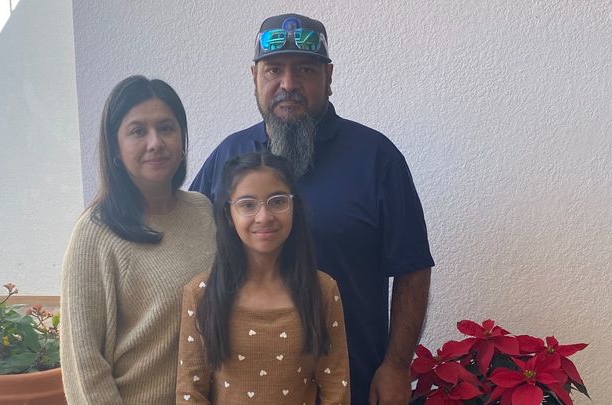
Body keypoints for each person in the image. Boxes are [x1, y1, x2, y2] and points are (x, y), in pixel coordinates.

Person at [190, 14, 434, 405]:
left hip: (354, 384)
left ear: (328, 77)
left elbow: (412, 268)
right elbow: (189, 251)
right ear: (254, 77)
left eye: (304, 69)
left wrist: (396, 365)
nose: (288, 84)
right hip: (246, 391)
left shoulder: (377, 158)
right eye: (274, 70)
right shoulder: (227, 158)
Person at [61, 75, 216, 404]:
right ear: (115, 147)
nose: (155, 142)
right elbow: (83, 365)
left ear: (183, 138)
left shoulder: (203, 211)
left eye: (166, 128)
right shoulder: (94, 234)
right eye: (137, 131)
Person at [177, 152, 349, 404]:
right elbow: (191, 392)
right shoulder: (200, 293)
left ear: (294, 207)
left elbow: (336, 389)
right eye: (248, 205)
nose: (264, 217)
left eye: (277, 201)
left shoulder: (322, 290)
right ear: (229, 214)